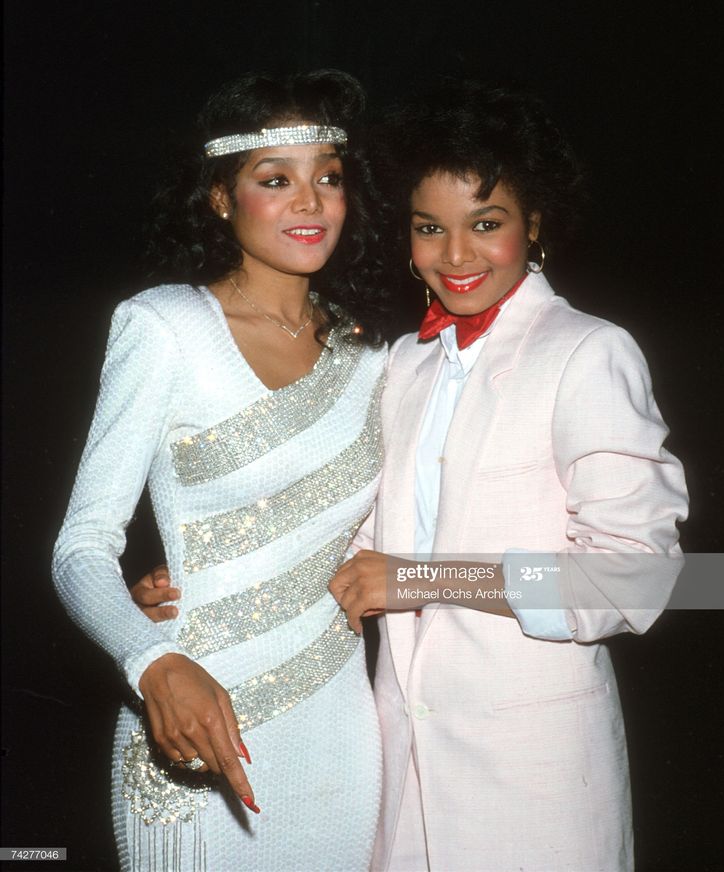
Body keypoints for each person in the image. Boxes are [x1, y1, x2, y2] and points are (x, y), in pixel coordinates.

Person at [327, 80, 689, 871]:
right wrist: (196, 583)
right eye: (430, 229)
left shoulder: (588, 352)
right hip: (400, 771)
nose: (455, 257)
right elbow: (351, 548)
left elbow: (637, 581)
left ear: (534, 226)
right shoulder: (402, 362)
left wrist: (423, 578)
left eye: (484, 225)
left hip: (538, 780)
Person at [52, 69, 391, 872]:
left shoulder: (373, 353)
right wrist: (152, 661)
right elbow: (81, 548)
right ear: (219, 198)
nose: (309, 203)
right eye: (276, 180)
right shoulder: (164, 326)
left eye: (328, 179)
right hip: (190, 724)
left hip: (340, 734)